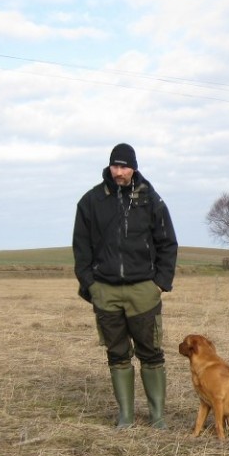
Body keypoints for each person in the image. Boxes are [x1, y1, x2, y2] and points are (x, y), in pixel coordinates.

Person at [73, 143, 178, 429]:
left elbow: (168, 243)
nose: (118, 172)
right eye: (114, 166)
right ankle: (126, 417)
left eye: (123, 166)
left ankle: (157, 417)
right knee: (117, 354)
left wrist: (160, 283)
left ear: (133, 167)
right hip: (105, 291)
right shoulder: (91, 201)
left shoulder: (151, 200)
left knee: (151, 353)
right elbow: (80, 248)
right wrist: (90, 284)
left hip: (143, 289)